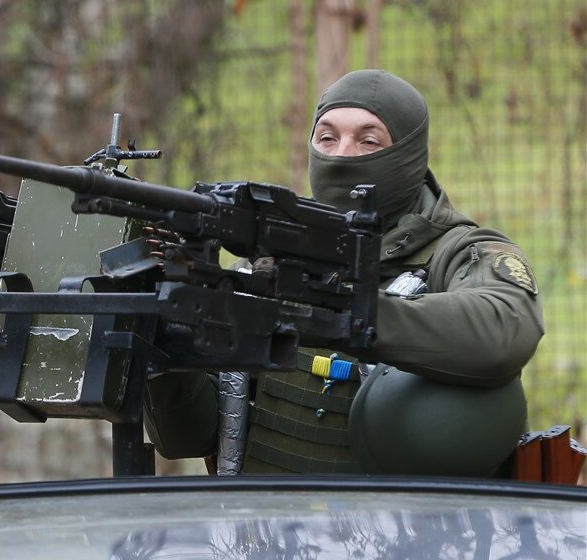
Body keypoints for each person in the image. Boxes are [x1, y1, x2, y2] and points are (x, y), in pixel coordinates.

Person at [142, 69, 544, 476]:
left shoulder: (459, 253)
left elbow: (507, 327)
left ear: (409, 154)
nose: (342, 155)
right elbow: (186, 438)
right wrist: (163, 338)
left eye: (368, 140)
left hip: (411, 534)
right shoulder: (266, 267)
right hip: (262, 529)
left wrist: (352, 317)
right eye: (327, 138)